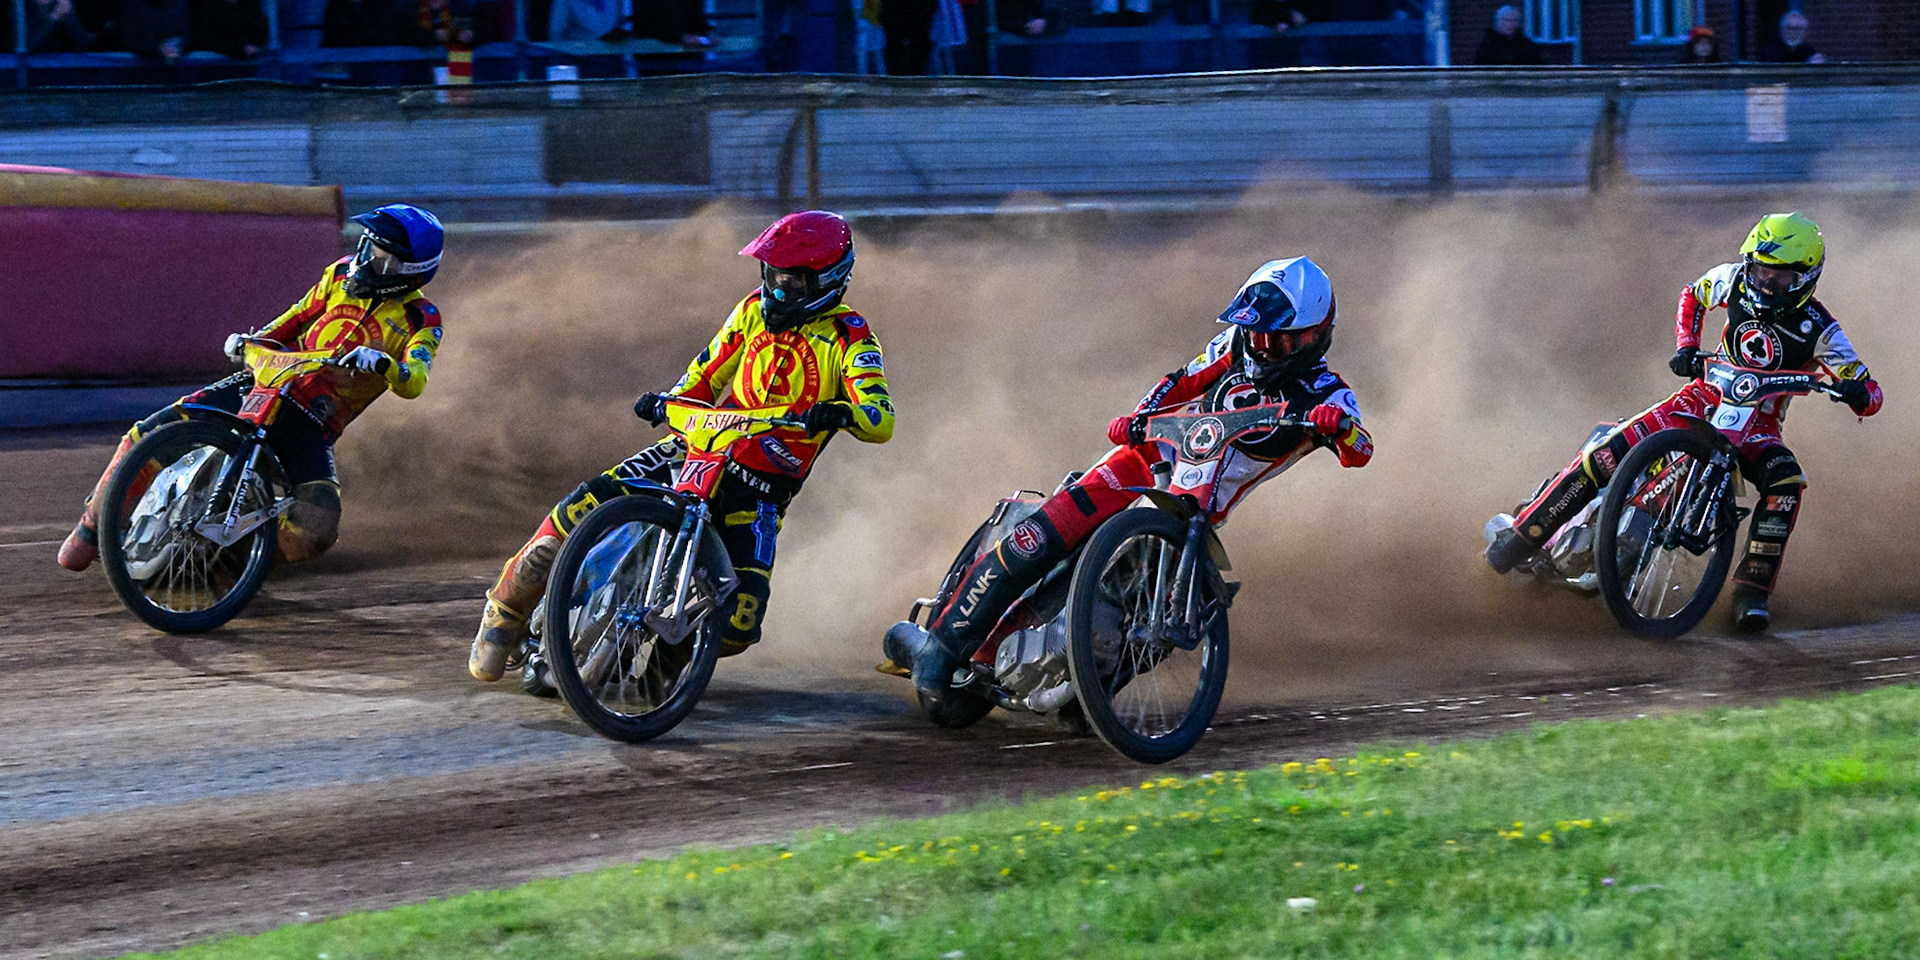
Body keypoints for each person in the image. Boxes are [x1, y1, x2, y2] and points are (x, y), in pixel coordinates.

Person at [910, 257, 1374, 699]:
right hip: (1146, 459)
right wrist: (1140, 415)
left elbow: (1361, 451)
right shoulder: (1234, 343)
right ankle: (943, 646)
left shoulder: (1330, 395)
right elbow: (1181, 381)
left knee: (1148, 609)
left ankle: (1084, 691)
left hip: (1192, 513)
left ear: (1313, 337)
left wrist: (1341, 428)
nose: (1259, 346)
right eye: (1254, 335)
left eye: (1274, 339)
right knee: (1044, 533)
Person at [467, 210, 895, 682]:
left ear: (827, 280)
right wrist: (668, 402)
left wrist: (843, 412)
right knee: (581, 505)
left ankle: (661, 675)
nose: (777, 290)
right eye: (772, 275)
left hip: (761, 487)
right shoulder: (752, 311)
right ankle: (504, 613)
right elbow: (704, 377)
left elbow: (881, 417)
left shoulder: (851, 336)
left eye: (791, 281)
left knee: (739, 623)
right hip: (698, 448)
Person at [1485, 213, 1882, 631]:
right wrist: (1687, 346)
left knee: (1786, 482)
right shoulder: (1732, 280)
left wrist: (1858, 393)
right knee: (1608, 453)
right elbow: (1692, 296)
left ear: (1806, 277)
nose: (1766, 284)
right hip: (1699, 398)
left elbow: (1871, 393)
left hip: (1759, 428)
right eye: (1761, 271)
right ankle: (1525, 534)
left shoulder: (1822, 330)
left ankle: (1751, 593)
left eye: (1779, 278)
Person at [56, 205, 447, 574]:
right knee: (150, 432)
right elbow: (295, 319)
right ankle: (90, 529)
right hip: (267, 383)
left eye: (381, 257)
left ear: (411, 273)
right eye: (367, 246)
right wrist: (252, 340)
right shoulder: (340, 274)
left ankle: (239, 562)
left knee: (316, 529)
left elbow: (415, 380)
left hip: (312, 424)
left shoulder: (420, 319)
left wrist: (384, 364)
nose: (367, 260)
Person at [189, 0, 266, 58]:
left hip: (248, 59)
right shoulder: (205, 6)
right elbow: (204, 40)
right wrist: (240, 48)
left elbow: (259, 35)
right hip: (215, 55)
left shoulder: (251, 5)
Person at [1473, 4, 1543, 65]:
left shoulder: (1528, 47)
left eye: (1514, 20)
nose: (1510, 24)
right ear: (1497, 22)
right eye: (1506, 20)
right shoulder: (1488, 46)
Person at [26, 0, 98, 51]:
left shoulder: (59, 6)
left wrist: (68, 14)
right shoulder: (23, 9)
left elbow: (83, 43)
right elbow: (31, 45)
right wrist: (54, 18)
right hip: (32, 68)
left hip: (61, 66)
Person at [1760, 10, 1824, 63]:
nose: (1793, 33)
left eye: (1798, 29)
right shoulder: (1769, 53)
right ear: (1781, 31)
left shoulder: (1810, 53)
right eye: (1789, 28)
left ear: (1806, 32)